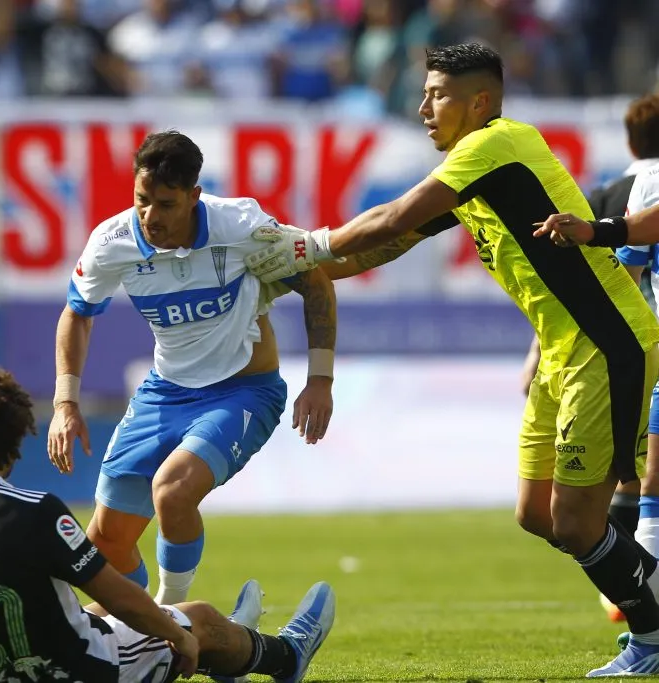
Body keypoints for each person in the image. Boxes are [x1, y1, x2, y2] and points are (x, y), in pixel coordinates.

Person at [245, 43, 659, 677]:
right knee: (536, 513)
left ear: (479, 102)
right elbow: (380, 247)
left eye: (436, 95)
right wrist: (285, 275)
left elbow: (390, 217)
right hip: (561, 349)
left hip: (606, 344)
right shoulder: (473, 175)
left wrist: (299, 247)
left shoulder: (495, 145)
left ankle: (651, 636)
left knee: (577, 522)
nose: (423, 109)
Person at [0, 362, 336, 683]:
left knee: (87, 615)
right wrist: (179, 634)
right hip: (95, 671)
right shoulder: (30, 511)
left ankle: (226, 653)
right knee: (196, 619)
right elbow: (120, 597)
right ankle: (285, 655)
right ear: (11, 437)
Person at [48, 130, 338, 617]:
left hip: (243, 391)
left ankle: (172, 616)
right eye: (141, 200)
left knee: (172, 491)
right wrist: (65, 403)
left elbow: (316, 281)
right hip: (165, 392)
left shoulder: (241, 226)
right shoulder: (112, 242)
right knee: (106, 541)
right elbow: (77, 313)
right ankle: (145, 630)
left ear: (194, 196)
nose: (150, 216)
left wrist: (320, 381)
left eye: (165, 204)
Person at [523, 94, 659, 623]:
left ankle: (636, 602)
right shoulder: (637, 193)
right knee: (642, 483)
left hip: (631, 349)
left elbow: (611, 282)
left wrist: (540, 351)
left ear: (630, 141)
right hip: (639, 350)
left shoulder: (609, 194)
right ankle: (644, 606)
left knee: (640, 484)